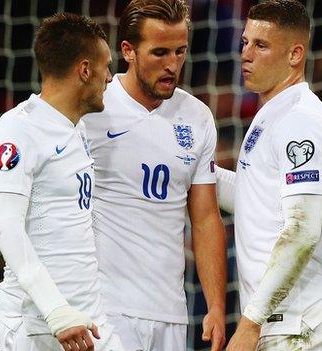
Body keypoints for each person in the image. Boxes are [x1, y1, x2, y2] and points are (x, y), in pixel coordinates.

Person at [81, 0, 226, 350]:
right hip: (106, 310)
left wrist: (217, 306)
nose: (172, 65)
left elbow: (205, 217)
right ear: (128, 51)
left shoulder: (197, 117)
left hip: (171, 312)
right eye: (159, 52)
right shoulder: (93, 108)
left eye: (180, 51)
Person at [214, 1, 322, 349]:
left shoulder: (299, 120)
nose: (246, 54)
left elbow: (302, 231)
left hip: (298, 319)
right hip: (284, 319)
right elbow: (254, 198)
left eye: (261, 45)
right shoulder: (272, 112)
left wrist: (250, 323)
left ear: (295, 54)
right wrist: (198, 172)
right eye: (245, 42)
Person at [0, 13, 123, 351]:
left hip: (87, 320)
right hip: (29, 324)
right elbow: (6, 228)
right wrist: (55, 309)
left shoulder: (75, 128)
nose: (110, 78)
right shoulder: (17, 129)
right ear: (85, 70)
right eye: (106, 67)